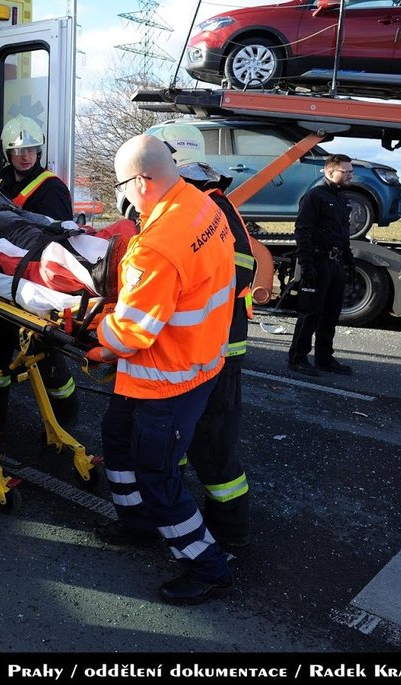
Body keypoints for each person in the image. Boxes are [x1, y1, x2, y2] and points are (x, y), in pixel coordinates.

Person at [86, 134, 236, 605]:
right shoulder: (201, 205)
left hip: (166, 377)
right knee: (117, 436)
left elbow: (129, 335)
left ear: (142, 181)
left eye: (123, 188)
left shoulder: (159, 244)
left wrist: (94, 335)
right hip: (194, 361)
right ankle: (137, 524)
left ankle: (205, 566)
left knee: (157, 472)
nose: (125, 199)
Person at [150, 123, 254, 549]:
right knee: (189, 436)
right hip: (196, 345)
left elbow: (242, 269)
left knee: (213, 442)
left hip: (219, 346)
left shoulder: (210, 208)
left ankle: (229, 538)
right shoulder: (197, 204)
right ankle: (186, 519)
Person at [0, 115, 78, 428]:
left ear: (38, 151)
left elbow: (56, 242)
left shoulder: (51, 188)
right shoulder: (3, 186)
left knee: (45, 354)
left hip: (34, 278)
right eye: (18, 151)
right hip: (6, 278)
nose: (25, 156)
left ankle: (65, 418)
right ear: (8, 154)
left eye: (31, 149)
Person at [287, 153, 355, 376]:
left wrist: (349, 264)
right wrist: (307, 266)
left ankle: (324, 358)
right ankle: (297, 358)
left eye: (350, 172)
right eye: (346, 172)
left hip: (335, 264)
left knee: (331, 313)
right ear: (329, 171)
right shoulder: (315, 196)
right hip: (317, 261)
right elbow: (302, 232)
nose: (350, 175)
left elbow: (343, 235)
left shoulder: (342, 198)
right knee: (310, 313)